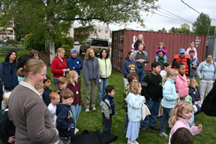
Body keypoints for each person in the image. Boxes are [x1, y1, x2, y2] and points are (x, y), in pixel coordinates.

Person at [9, 59, 59, 143]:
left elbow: (11, 117)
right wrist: (55, 132)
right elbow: (38, 135)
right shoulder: (34, 101)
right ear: (31, 75)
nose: (45, 77)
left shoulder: (15, 92)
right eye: (42, 75)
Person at [141, 62, 162, 132]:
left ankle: (153, 124)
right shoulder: (148, 77)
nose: (160, 69)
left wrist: (160, 96)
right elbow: (144, 87)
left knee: (155, 112)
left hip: (157, 99)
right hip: (150, 99)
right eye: (158, 67)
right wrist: (147, 97)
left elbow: (161, 87)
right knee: (147, 111)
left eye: (160, 67)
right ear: (153, 68)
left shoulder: (160, 77)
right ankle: (144, 124)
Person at [159, 69, 179, 139]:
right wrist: (175, 97)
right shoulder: (168, 84)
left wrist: (175, 94)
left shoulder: (171, 83)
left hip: (169, 104)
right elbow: (166, 95)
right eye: (175, 76)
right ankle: (172, 132)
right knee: (172, 118)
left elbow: (171, 93)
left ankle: (162, 130)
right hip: (168, 105)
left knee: (165, 117)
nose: (176, 77)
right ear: (170, 76)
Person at [83, 48, 100, 113]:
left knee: (93, 93)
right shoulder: (86, 60)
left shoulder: (96, 59)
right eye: (91, 53)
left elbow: (97, 69)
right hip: (88, 79)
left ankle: (93, 105)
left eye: (93, 52)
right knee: (87, 93)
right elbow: (85, 71)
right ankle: (87, 106)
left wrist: (97, 78)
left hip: (94, 79)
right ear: (88, 54)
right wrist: (86, 80)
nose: (92, 54)